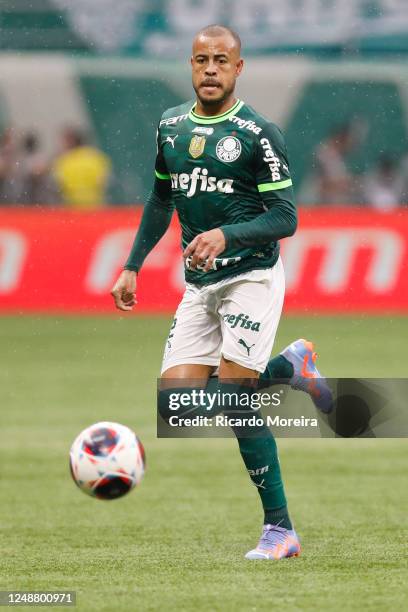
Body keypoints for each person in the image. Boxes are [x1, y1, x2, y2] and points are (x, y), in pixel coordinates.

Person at [111, 24, 333, 560]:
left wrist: (225, 235)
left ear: (239, 69)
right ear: (190, 66)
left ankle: (280, 530)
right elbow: (161, 200)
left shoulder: (259, 133)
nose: (210, 69)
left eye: (221, 61)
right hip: (200, 284)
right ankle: (290, 367)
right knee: (179, 409)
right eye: (200, 60)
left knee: (235, 402)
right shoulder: (169, 127)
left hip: (251, 277)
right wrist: (132, 265)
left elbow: (286, 217)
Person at [53, 127, 111, 210]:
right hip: (96, 206)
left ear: (71, 142)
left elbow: (58, 184)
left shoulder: (63, 161)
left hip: (71, 207)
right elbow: (104, 181)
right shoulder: (97, 158)